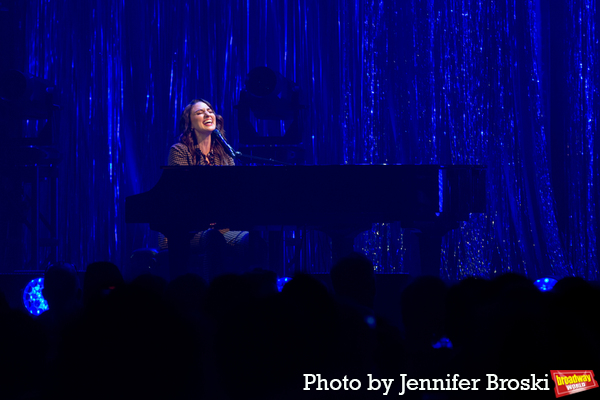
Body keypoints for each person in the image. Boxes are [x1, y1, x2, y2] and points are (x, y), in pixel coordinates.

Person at [159, 99, 248, 280]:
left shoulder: (225, 156)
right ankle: (212, 295)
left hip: (222, 228)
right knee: (212, 238)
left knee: (254, 241)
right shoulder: (179, 151)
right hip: (181, 231)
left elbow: (234, 194)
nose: (208, 114)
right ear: (189, 123)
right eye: (200, 113)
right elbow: (182, 193)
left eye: (210, 111)